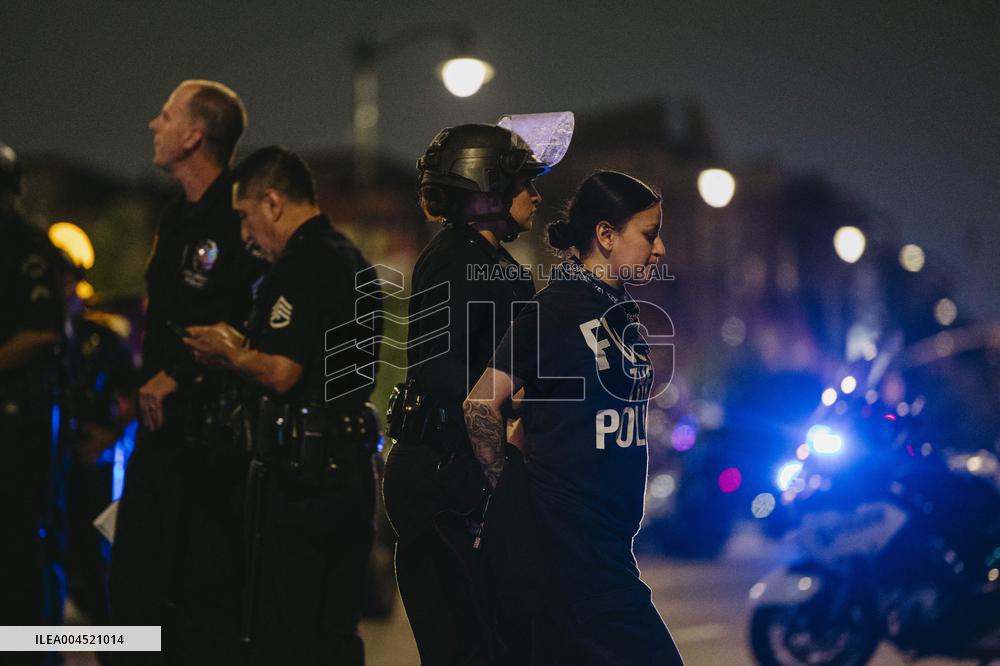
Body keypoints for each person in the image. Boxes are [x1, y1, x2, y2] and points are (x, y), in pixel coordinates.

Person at [464, 170, 684, 665]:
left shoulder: (620, 311)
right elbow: (481, 403)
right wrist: (512, 492)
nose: (661, 248)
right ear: (605, 236)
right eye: (649, 234)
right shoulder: (556, 309)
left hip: (607, 546)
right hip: (570, 550)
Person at [184, 146, 381, 665]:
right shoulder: (350, 257)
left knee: (287, 633)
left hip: (303, 479)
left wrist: (229, 352)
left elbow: (280, 370)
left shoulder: (301, 263)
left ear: (271, 202)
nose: (246, 236)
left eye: (246, 218)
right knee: (337, 631)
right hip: (350, 468)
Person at [381, 122, 557, 664]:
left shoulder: (496, 265)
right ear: (487, 186)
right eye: (523, 180)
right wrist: (510, 400)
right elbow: (434, 365)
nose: (536, 194)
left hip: (465, 479)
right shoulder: (454, 258)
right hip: (443, 481)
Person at [110, 80, 263, 663]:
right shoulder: (175, 215)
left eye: (167, 114)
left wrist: (181, 373)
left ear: (194, 136)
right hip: (156, 433)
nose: (155, 123)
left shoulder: (238, 214)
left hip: (211, 443)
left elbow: (250, 320)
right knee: (133, 597)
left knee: (200, 603)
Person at [0, 141, 65, 663]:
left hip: (19, 414)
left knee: (23, 539)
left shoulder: (30, 249)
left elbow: (43, 333)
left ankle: (33, 650)